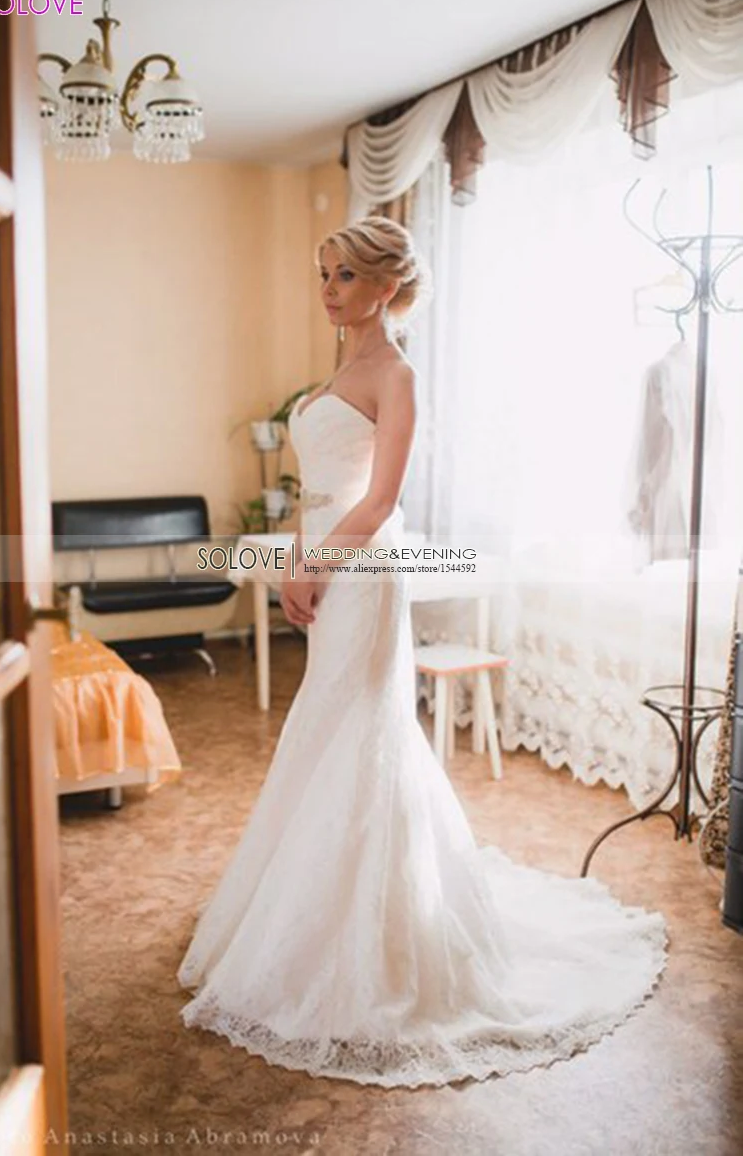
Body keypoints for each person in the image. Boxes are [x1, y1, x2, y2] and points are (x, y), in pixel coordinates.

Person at [177, 216, 668, 1088]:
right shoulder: (338, 372)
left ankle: (380, 936)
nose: (328, 289)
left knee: (361, 729)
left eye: (344, 275)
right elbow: (317, 492)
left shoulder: (396, 375)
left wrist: (318, 564)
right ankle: (312, 912)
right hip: (326, 562)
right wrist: (294, 560)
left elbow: (380, 501)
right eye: (323, 273)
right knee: (329, 728)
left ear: (386, 286)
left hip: (367, 574)